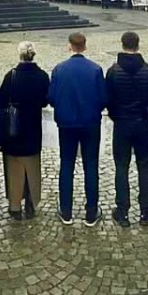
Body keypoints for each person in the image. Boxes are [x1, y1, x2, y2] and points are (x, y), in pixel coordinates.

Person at [49, 31, 106, 226]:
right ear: (85, 46)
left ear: (69, 46)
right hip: (90, 123)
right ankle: (91, 211)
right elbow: (103, 99)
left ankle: (66, 210)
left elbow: (52, 98)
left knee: (67, 165)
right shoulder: (96, 70)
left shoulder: (59, 70)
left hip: (66, 124)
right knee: (91, 165)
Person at [104, 31, 148, 227]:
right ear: (138, 45)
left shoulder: (113, 72)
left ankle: (122, 211)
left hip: (122, 124)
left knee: (121, 166)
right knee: (144, 167)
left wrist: (116, 114)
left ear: (122, 44)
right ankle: (146, 210)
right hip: (143, 123)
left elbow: (108, 100)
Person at [0, 42, 51, 221]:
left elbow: (0, 101)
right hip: (32, 128)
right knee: (32, 166)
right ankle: (30, 202)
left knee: (14, 167)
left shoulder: (11, 76)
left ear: (19, 55)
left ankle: (15, 206)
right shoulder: (42, 76)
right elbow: (45, 101)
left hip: (13, 129)